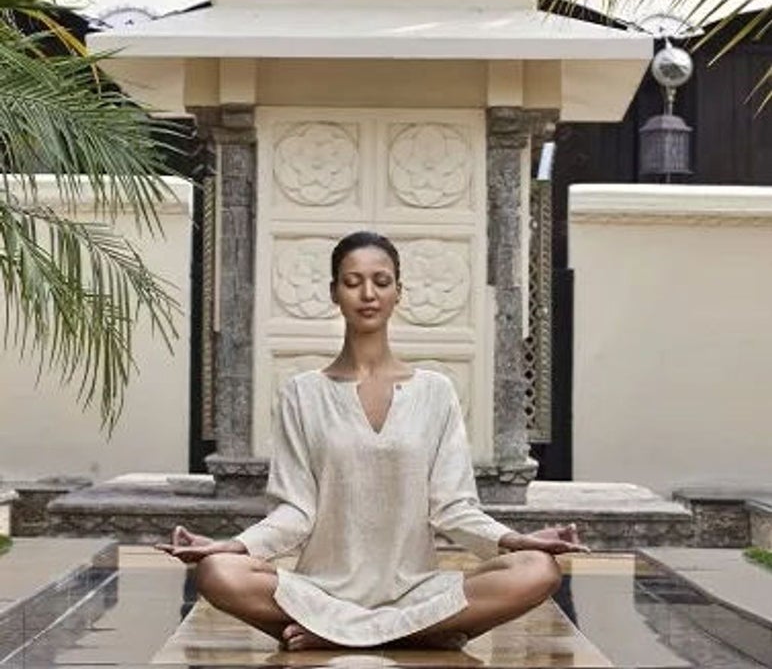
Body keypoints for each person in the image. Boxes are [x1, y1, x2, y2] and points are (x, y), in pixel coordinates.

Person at [158, 231, 588, 651]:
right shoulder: (302, 392)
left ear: (398, 291)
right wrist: (232, 546)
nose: (368, 293)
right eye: (352, 281)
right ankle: (416, 634)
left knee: (537, 570)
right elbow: (294, 511)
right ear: (334, 292)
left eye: (381, 281)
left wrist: (517, 541)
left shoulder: (435, 391)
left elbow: (454, 509)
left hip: (415, 591)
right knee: (217, 573)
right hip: (321, 592)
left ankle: (339, 634)